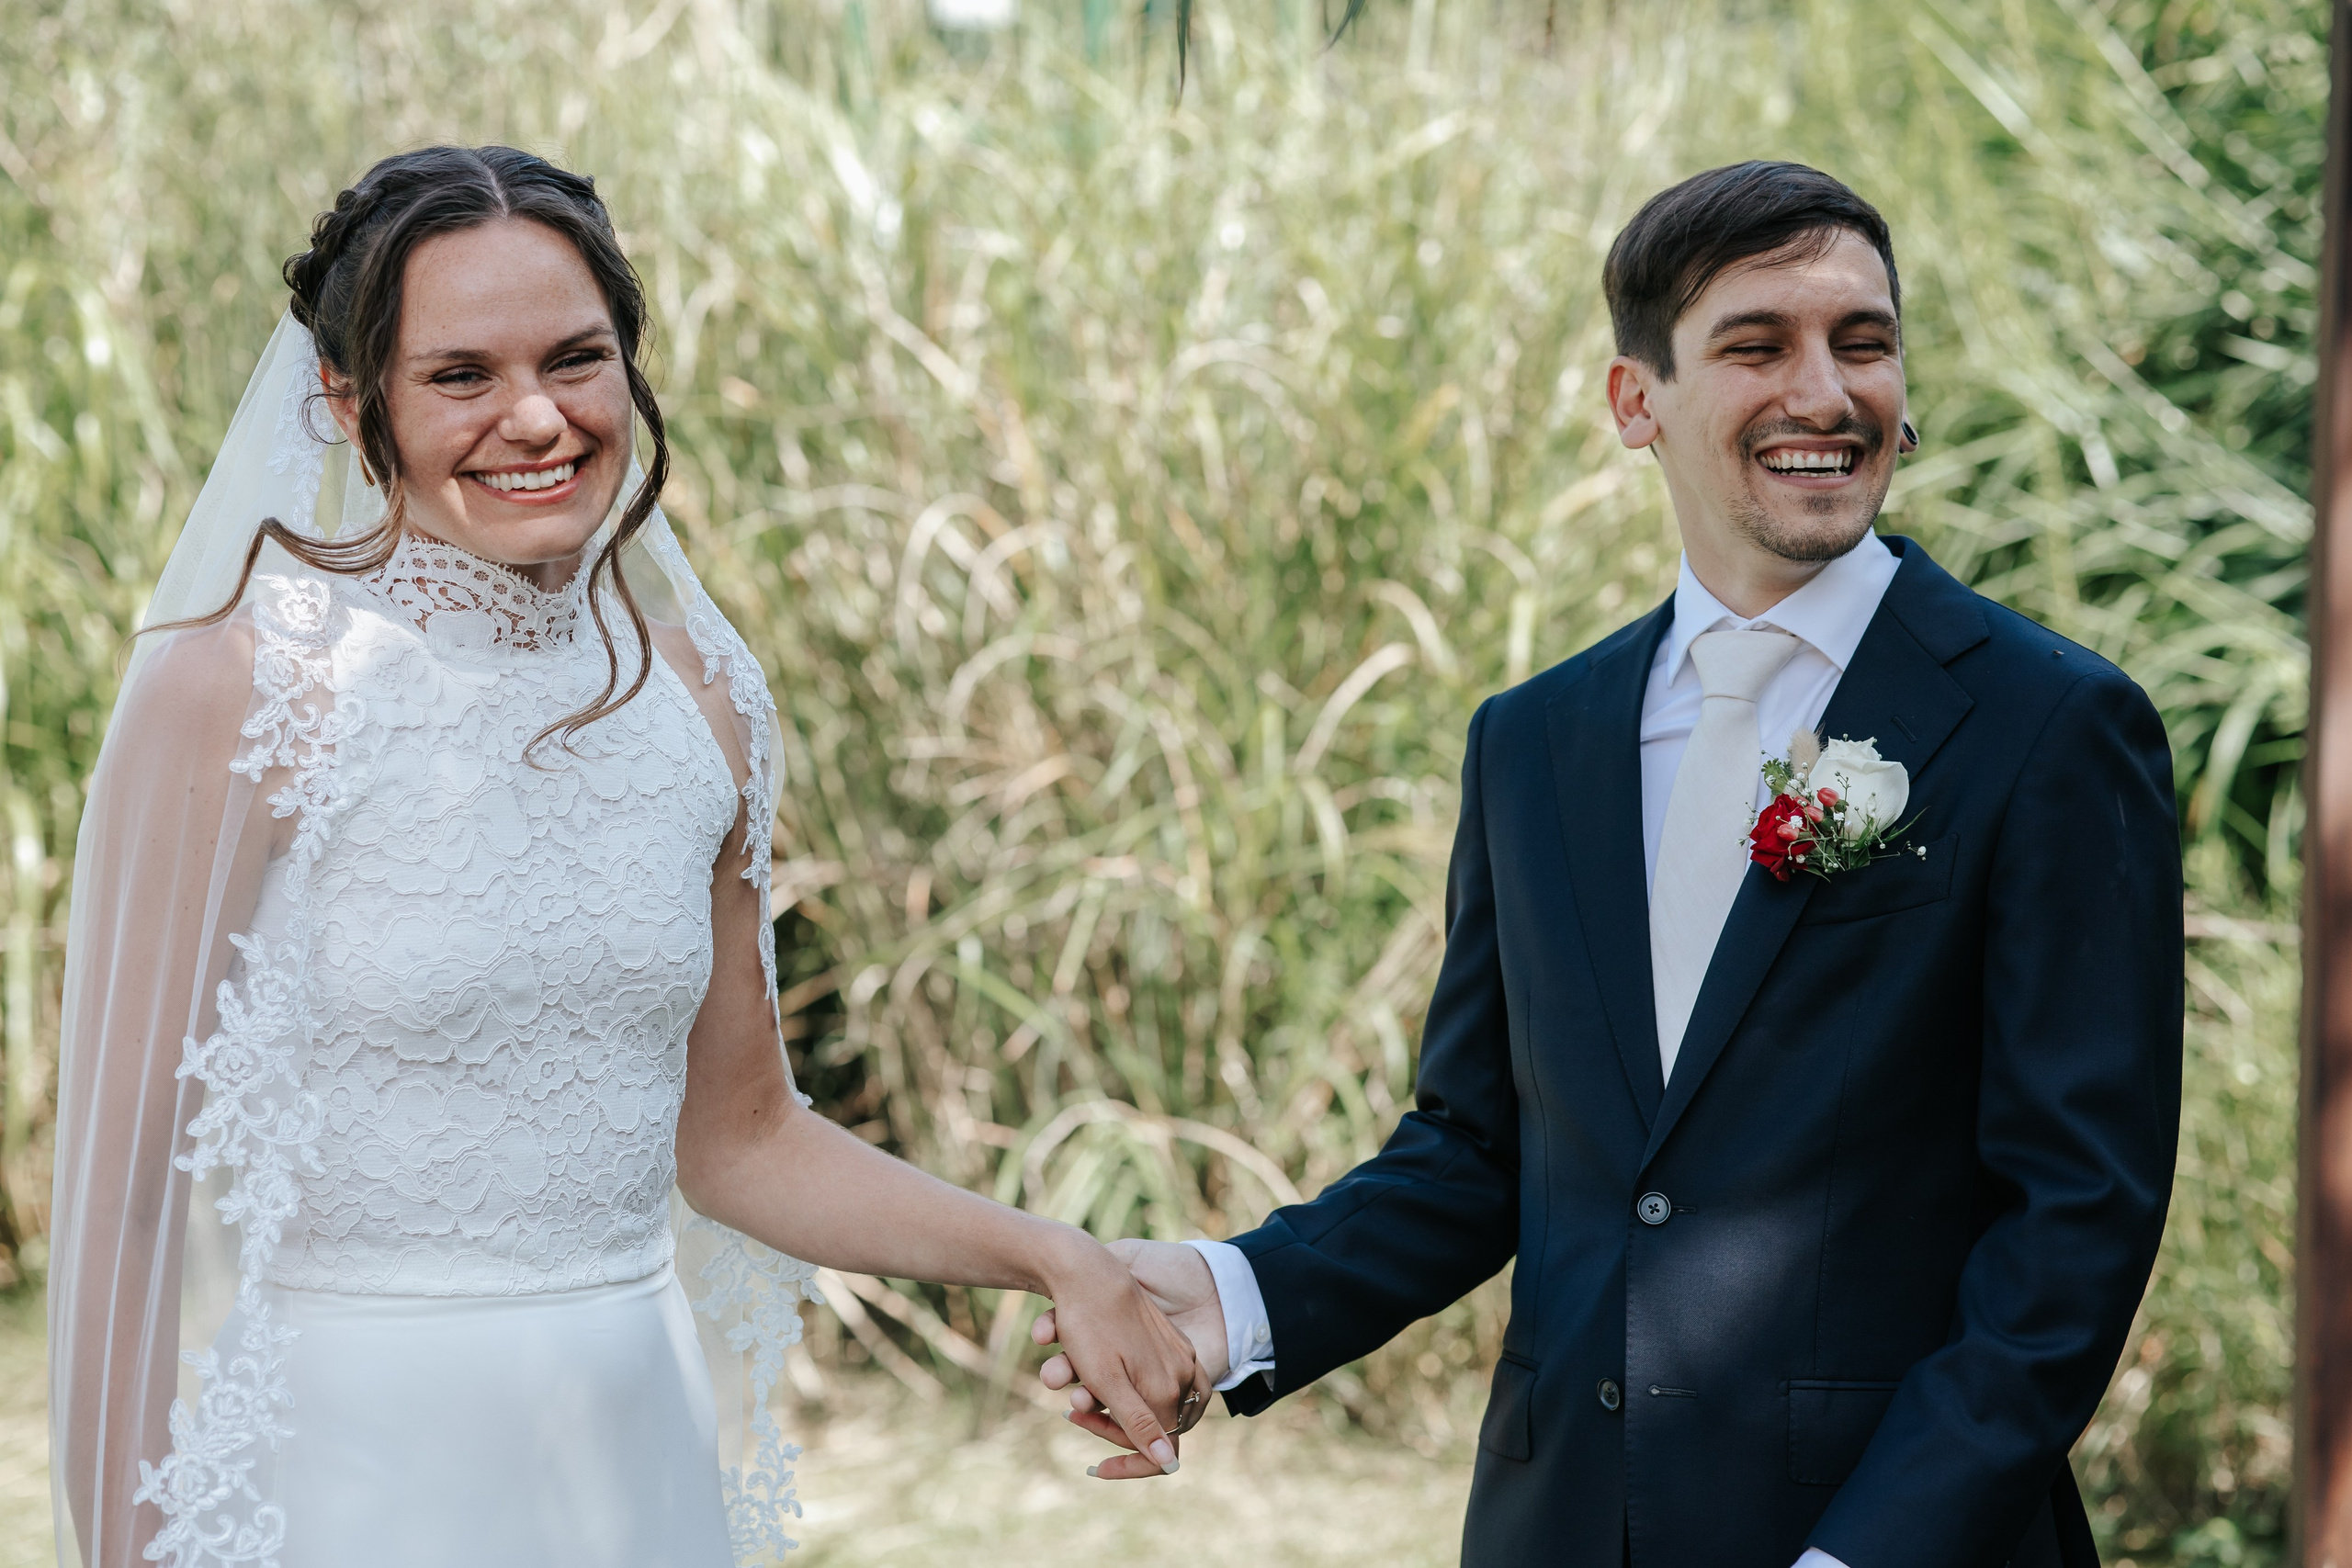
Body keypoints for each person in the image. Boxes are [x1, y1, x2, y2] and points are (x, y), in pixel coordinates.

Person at [47, 144, 1204, 1568]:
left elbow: (745, 1140)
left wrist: (1054, 1254)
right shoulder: (245, 689)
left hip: (633, 1466)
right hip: (348, 1474)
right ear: (351, 404)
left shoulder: (703, 695)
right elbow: (123, 1203)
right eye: (460, 375)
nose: (538, 417)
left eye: (576, 358)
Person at [1041, 162, 2183, 1568]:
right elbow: (1483, 1150)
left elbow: (2075, 1225)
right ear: (1636, 401)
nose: (1826, 392)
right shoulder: (1534, 742)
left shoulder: (2051, 725)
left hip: (1888, 1534)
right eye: (1757, 346)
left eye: (1864, 342)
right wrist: (1237, 1296)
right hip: (1564, 1524)